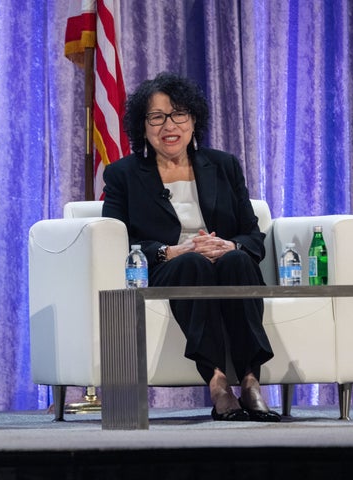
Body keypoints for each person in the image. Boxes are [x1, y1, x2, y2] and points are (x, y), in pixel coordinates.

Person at [102, 72, 280, 422]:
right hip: (168, 266)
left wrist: (229, 244)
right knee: (192, 266)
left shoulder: (224, 166)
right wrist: (171, 251)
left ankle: (249, 380)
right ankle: (216, 383)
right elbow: (117, 238)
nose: (169, 125)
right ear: (143, 126)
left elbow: (253, 236)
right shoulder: (122, 174)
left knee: (238, 262)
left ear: (194, 120)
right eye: (157, 116)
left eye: (179, 114)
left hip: (223, 259)